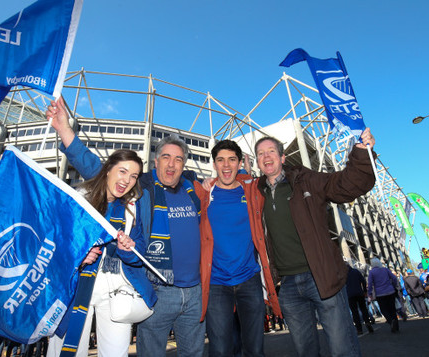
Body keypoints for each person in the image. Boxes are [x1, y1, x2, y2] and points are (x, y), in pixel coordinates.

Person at [46, 97, 205, 356]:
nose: (172, 164)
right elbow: (97, 169)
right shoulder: (141, 188)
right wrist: (65, 130)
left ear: (184, 165)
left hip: (175, 290)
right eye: (166, 157)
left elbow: (139, 243)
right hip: (150, 285)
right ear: (156, 161)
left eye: (178, 159)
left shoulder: (193, 188)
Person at [253, 128, 376, 356]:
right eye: (261, 153)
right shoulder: (255, 192)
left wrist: (360, 153)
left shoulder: (305, 179)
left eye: (271, 151)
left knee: (342, 348)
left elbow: (344, 185)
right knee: (305, 350)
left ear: (282, 157)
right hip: (287, 285)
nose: (266, 156)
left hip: (320, 276)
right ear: (257, 161)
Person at [44, 143, 156, 355]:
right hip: (76, 286)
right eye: (122, 171)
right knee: (66, 351)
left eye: (134, 176)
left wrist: (128, 248)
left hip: (117, 288)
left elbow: (139, 249)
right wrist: (79, 255)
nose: (127, 180)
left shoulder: (134, 205)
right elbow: (56, 241)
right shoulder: (80, 197)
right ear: (107, 170)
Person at [196, 140, 280, 356]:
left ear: (239, 163)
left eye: (232, 159)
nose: (226, 165)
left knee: (254, 349)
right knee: (221, 350)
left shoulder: (252, 190)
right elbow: (177, 178)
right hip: (216, 284)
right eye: (220, 160)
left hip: (249, 280)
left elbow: (277, 174)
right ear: (214, 164)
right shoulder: (204, 194)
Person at [367, 258, 399, 333]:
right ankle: (396, 326)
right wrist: (393, 286)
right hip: (390, 291)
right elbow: (394, 278)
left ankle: (391, 322)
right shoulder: (385, 269)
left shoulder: (371, 272)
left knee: (384, 309)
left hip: (380, 293)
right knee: (392, 309)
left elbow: (370, 284)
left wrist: (370, 294)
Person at [346, 265, 373, 335]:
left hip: (350, 295)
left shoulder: (343, 274)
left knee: (354, 312)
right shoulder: (356, 271)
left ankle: (359, 329)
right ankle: (367, 322)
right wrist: (364, 291)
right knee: (363, 309)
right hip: (359, 293)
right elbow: (363, 281)